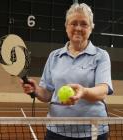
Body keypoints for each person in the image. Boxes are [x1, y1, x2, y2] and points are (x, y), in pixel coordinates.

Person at [21, 3, 113, 140]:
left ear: (91, 28)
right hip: (56, 130)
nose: (78, 28)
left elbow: (102, 90)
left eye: (84, 24)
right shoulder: (54, 56)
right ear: (66, 26)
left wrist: (84, 92)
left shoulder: (101, 56)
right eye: (73, 23)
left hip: (93, 130)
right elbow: (47, 94)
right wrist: (36, 90)